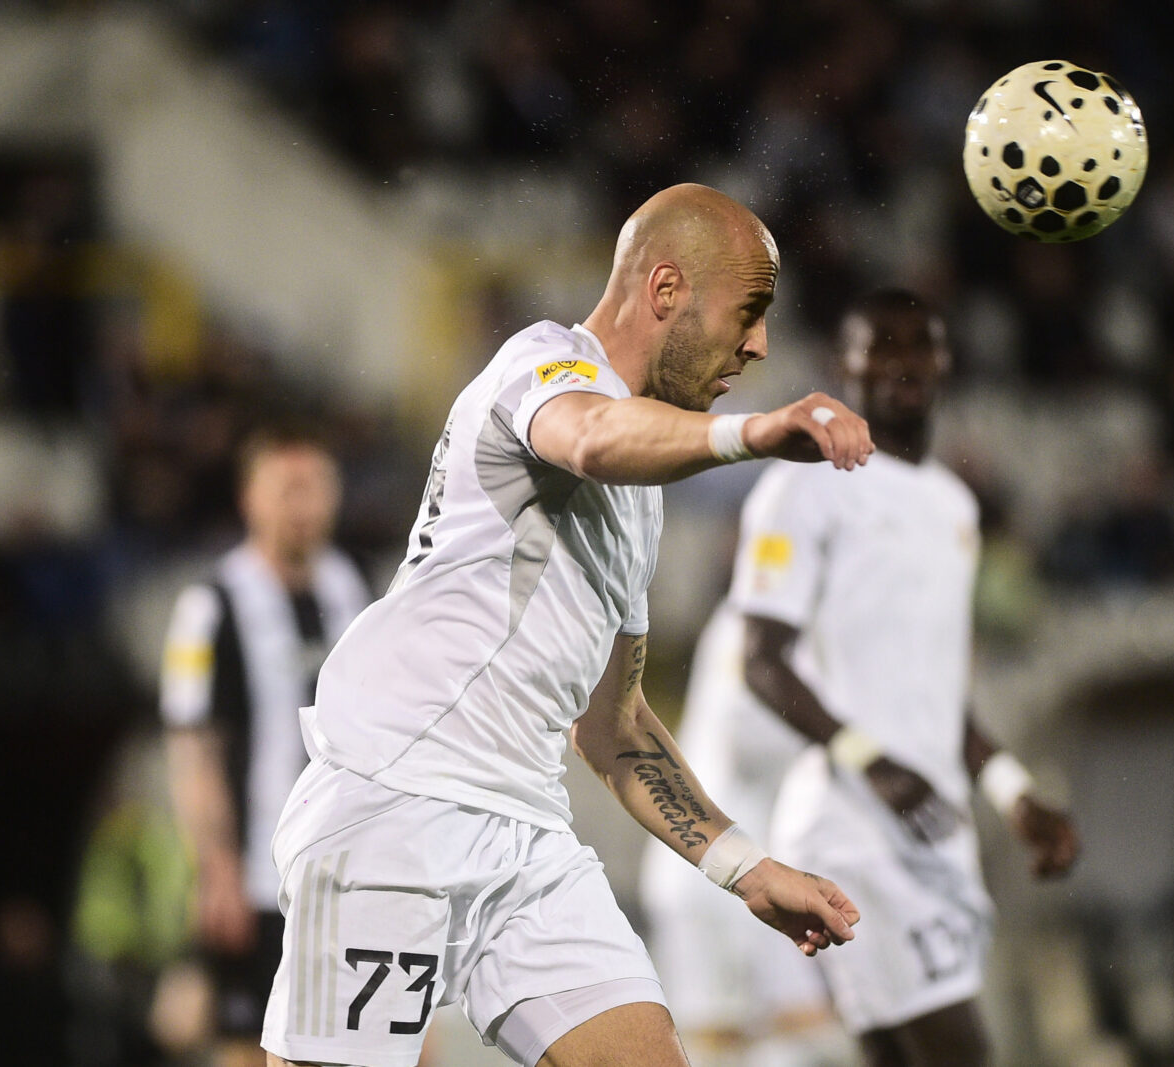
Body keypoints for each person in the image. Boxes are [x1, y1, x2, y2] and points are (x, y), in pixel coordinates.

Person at [260, 183, 871, 1067]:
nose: (760, 343)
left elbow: (613, 728)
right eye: (750, 311)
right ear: (665, 292)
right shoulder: (538, 363)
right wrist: (756, 434)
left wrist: (747, 868)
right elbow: (589, 436)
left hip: (527, 837)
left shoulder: (642, 504)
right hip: (395, 795)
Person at [727, 288, 1081, 1066]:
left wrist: (1014, 796)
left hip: (933, 826)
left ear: (946, 362)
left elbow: (937, 695)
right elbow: (759, 659)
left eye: (919, 343)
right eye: (878, 344)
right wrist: (874, 763)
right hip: (854, 830)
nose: (901, 361)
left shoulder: (953, 504)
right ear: (842, 364)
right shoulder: (804, 486)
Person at [161, 426, 372, 1067]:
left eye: (313, 489)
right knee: (250, 1045)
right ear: (249, 498)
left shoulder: (350, 588)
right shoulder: (210, 604)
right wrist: (215, 865)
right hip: (257, 873)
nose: (302, 506)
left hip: (345, 873)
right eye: (287, 490)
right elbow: (193, 744)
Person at [638, 603, 848, 1067]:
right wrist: (845, 739)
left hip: (747, 864)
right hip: (720, 865)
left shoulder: (799, 620)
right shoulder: (757, 620)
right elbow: (744, 735)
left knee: (793, 1030)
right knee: (728, 1038)